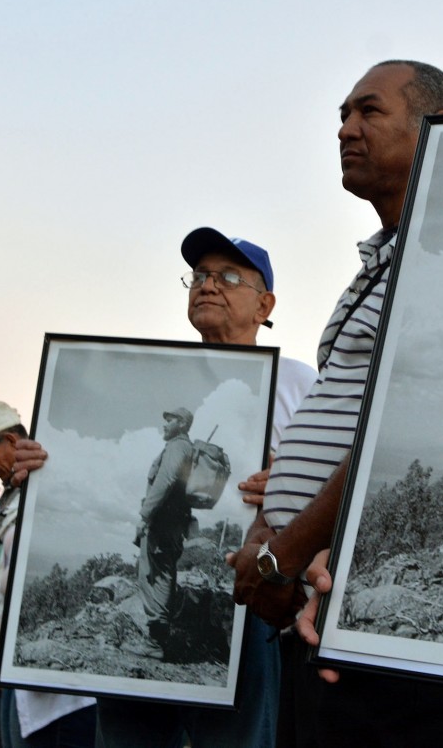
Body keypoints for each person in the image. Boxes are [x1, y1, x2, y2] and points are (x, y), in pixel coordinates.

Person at [228, 60, 443, 747]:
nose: (345, 129)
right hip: (313, 613)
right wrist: (269, 521)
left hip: (370, 623)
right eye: (342, 114)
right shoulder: (380, 261)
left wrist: (284, 553)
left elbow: (406, 432)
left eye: (369, 112)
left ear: (437, 130)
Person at [94, 228, 316, 747]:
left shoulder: (301, 383)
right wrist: (41, 465)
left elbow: (337, 493)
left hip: (256, 603)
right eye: (199, 276)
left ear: (265, 304)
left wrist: (285, 485)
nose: (208, 285)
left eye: (229, 276)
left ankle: (159, 635)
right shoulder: (159, 376)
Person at [0, 400, 97, 748]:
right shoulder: (14, 495)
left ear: (11, 440)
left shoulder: (45, 489)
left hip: (47, 676)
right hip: (11, 658)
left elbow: (9, 570)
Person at [127, 406, 197, 660]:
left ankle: (155, 643)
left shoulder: (178, 447)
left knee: (156, 577)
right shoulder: (181, 447)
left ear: (181, 423)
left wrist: (145, 516)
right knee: (158, 574)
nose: (164, 424)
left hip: (163, 524)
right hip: (170, 523)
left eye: (169, 420)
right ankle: (157, 639)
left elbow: (165, 480)